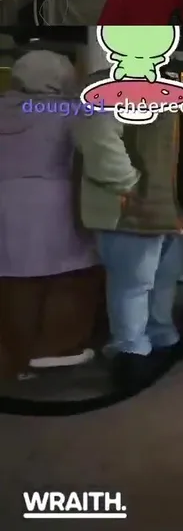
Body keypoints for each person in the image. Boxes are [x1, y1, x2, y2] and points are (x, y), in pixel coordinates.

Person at [73, 64, 183, 390]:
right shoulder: (109, 84)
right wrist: (128, 184)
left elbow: (182, 145)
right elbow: (97, 136)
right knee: (133, 283)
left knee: (163, 278)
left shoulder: (167, 85)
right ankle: (130, 352)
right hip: (131, 206)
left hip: (169, 205)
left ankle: (159, 338)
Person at [0, 51, 103, 377]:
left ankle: (15, 358)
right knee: (66, 277)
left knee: (13, 281)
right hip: (55, 202)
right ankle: (54, 349)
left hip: (5, 201)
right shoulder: (67, 110)